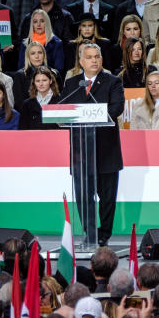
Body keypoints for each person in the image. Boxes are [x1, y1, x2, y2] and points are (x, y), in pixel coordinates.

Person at [59, 42, 124, 247]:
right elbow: (63, 108)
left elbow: (116, 108)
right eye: (89, 57)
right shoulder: (72, 83)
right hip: (81, 153)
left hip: (106, 152)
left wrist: (90, 113)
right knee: (83, 197)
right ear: (81, 61)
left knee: (106, 199)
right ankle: (90, 233)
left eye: (97, 56)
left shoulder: (112, 82)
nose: (94, 60)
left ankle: (103, 235)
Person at [20, 9, 65, 74]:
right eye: (35, 22)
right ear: (32, 24)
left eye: (42, 21)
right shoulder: (25, 43)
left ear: (47, 22)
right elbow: (21, 67)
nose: (38, 24)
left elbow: (58, 69)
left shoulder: (56, 43)